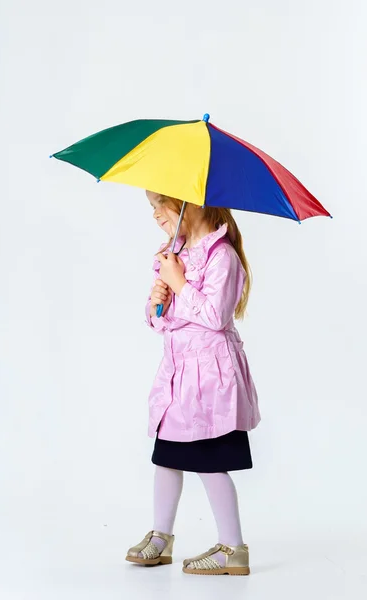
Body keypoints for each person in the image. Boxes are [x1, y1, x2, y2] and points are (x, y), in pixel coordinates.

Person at [125, 191, 261, 576]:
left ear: (191, 203)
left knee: (211, 460)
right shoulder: (173, 255)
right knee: (166, 457)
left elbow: (216, 317)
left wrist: (180, 284)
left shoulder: (223, 257)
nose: (155, 216)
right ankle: (161, 536)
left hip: (212, 377)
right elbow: (163, 323)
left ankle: (232, 547)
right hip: (179, 375)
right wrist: (158, 301)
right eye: (151, 208)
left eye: (159, 206)